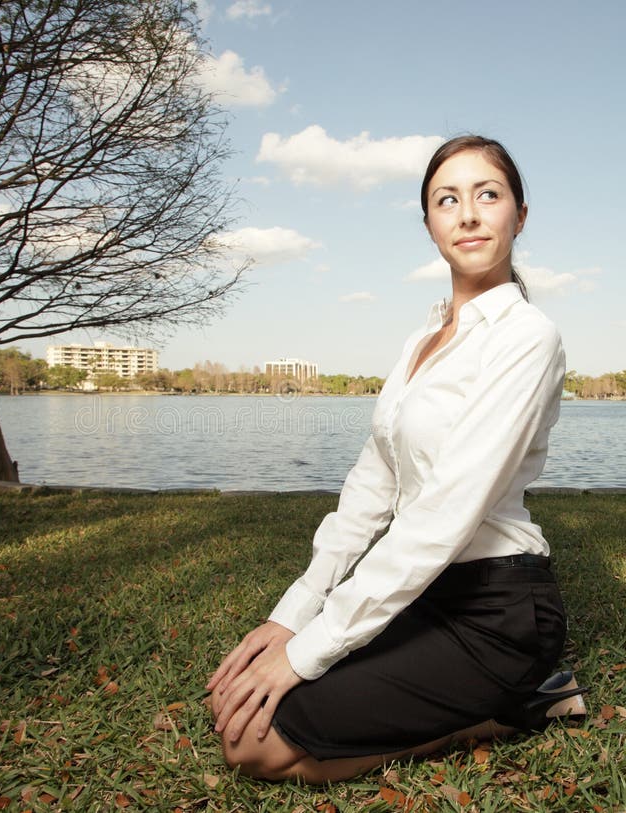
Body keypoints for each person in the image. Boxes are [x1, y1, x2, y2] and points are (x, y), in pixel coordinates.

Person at [206, 135, 587, 783]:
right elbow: (371, 486)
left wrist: (309, 651)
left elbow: (440, 518)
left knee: (255, 747)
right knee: (232, 698)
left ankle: (516, 703)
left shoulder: (527, 337)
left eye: (487, 194)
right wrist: (291, 614)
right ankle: (498, 697)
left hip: (499, 611)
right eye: (447, 199)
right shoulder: (420, 340)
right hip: (423, 594)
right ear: (430, 224)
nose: (467, 213)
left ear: (518, 215)